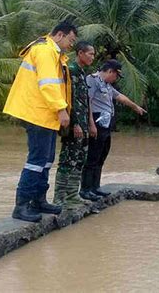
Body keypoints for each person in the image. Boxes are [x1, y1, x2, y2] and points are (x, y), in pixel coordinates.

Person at [3, 21, 77, 222]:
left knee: (46, 160)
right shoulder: (45, 51)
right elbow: (48, 85)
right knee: (36, 161)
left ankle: (38, 201)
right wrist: (61, 110)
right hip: (38, 113)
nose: (71, 45)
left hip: (46, 114)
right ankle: (22, 205)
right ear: (60, 35)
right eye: (70, 40)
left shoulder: (53, 52)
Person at [80, 60, 146, 198]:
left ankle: (95, 187)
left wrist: (135, 107)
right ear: (110, 71)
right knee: (92, 156)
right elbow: (88, 101)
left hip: (106, 123)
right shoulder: (92, 80)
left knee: (101, 156)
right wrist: (91, 123)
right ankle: (86, 190)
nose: (116, 79)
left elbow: (119, 97)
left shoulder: (107, 85)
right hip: (97, 122)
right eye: (116, 76)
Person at [53, 41, 99, 208]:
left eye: (93, 54)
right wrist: (74, 124)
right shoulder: (70, 70)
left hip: (84, 125)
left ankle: (72, 195)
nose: (93, 57)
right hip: (73, 125)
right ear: (80, 53)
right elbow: (67, 99)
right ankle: (60, 198)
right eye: (90, 54)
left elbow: (85, 101)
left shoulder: (81, 73)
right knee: (67, 161)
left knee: (80, 160)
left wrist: (91, 124)